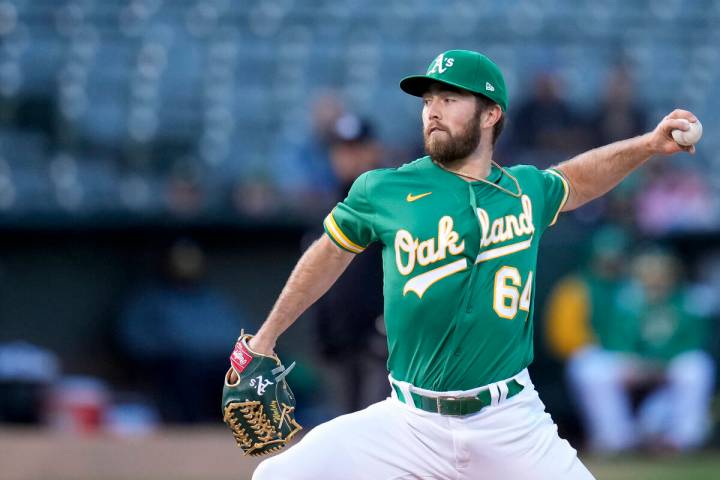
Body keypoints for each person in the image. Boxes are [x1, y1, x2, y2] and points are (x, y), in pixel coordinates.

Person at [240, 50, 698, 479]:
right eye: (428, 100)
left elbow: (578, 179)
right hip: (408, 422)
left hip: (509, 421)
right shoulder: (385, 189)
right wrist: (265, 338)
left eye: (450, 97)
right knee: (276, 475)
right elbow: (329, 252)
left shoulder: (524, 190)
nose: (433, 110)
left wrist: (649, 145)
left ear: (491, 113)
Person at [570, 248, 714, 453]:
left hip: (669, 369)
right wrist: (637, 364)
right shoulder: (622, 299)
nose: (654, 278)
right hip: (633, 365)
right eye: (647, 272)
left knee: (697, 366)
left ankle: (683, 439)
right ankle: (615, 439)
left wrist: (660, 363)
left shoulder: (689, 299)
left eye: (660, 272)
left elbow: (693, 341)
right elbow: (611, 340)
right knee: (587, 365)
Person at [313, 113, 387, 415]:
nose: (348, 157)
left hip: (382, 345)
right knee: (345, 430)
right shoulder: (327, 207)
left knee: (375, 432)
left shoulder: (389, 203)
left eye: (357, 148)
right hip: (341, 345)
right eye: (342, 149)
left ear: (372, 150)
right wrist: (323, 334)